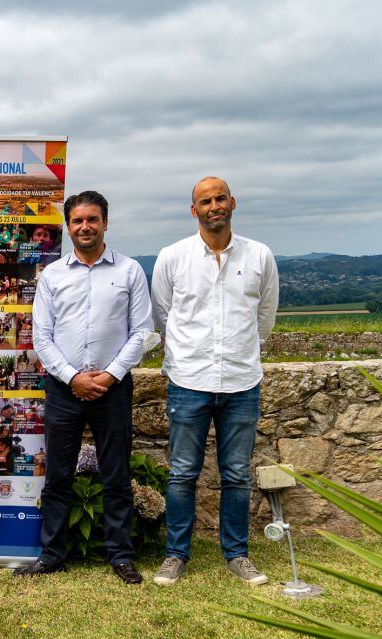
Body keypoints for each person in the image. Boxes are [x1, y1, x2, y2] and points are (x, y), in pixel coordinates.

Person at [18, 190, 154, 585]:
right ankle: (52, 555)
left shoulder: (129, 271)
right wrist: (73, 377)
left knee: (115, 474)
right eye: (77, 221)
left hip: (113, 387)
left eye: (92, 219)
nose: (85, 227)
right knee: (58, 476)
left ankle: (121, 555)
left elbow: (142, 332)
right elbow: (41, 337)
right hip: (64, 388)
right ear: (68, 226)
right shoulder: (53, 276)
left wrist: (109, 375)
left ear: (105, 223)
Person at [150, 177, 279, 587]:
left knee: (238, 473)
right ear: (194, 211)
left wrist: (240, 351)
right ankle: (176, 555)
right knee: (182, 473)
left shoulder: (260, 255)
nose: (214, 205)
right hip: (189, 380)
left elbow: (265, 319)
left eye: (220, 197)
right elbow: (162, 317)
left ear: (233, 203)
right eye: (205, 201)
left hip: (242, 380)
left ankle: (237, 554)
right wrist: (190, 354)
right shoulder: (173, 257)